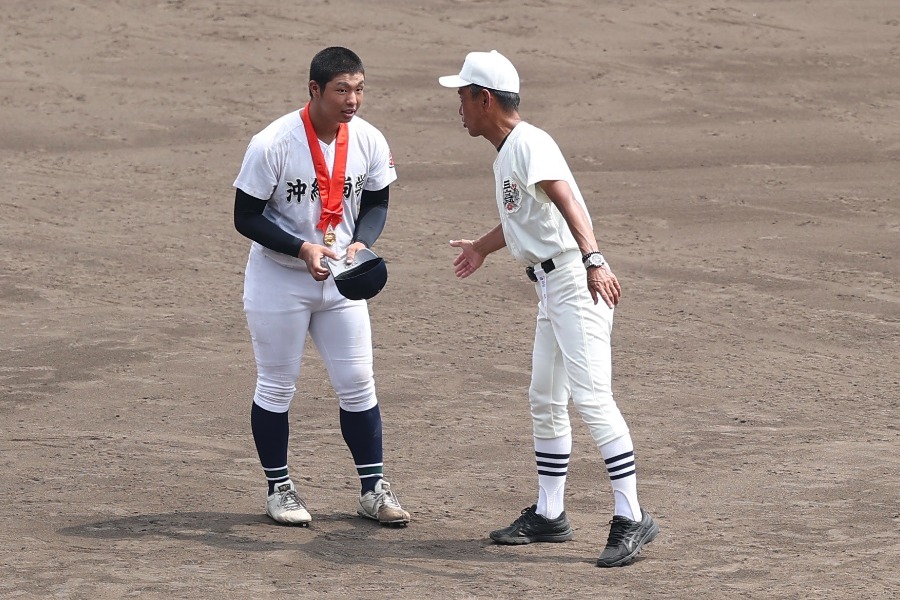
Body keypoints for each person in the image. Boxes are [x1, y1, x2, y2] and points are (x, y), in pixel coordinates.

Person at [439, 50, 658, 567]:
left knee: (592, 399)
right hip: (552, 286)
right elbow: (524, 220)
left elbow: (566, 201)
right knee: (545, 397)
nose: (459, 107)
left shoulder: (530, 143)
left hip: (575, 283)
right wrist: (482, 248)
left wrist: (595, 259)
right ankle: (549, 514)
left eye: (463, 97)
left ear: (484, 98)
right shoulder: (511, 149)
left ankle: (632, 517)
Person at [233, 46, 410, 528]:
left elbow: (376, 202)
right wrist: (301, 249)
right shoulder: (272, 143)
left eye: (359, 88)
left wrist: (360, 244)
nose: (353, 99)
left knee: (358, 385)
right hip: (278, 281)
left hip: (340, 282)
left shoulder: (369, 139)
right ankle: (279, 489)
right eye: (341, 90)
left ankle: (373, 489)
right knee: (276, 386)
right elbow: (244, 217)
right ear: (314, 90)